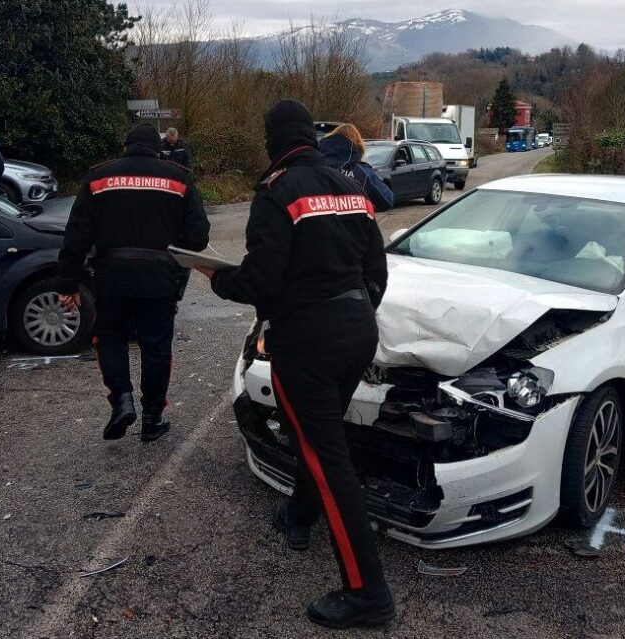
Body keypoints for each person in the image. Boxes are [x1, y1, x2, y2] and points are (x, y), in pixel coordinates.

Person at [195, 100, 393, 629]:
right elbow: (377, 267)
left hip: (306, 342)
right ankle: (299, 515)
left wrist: (217, 279)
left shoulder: (276, 192)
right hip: (357, 330)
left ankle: (368, 592)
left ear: (273, 141)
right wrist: (356, 314)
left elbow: (260, 282)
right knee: (318, 435)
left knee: (330, 459)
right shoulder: (352, 186)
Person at [56, 123, 209, 442]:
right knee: (156, 347)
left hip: (112, 277)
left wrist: (68, 283)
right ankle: (153, 418)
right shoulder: (178, 177)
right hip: (159, 277)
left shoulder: (99, 176)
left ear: (126, 146)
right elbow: (198, 237)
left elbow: (77, 234)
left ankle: (121, 400)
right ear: (158, 147)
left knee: (109, 339)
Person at [319, 124, 394, 213]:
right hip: (354, 224)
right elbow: (388, 200)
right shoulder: (363, 173)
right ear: (358, 146)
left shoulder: (313, 168)